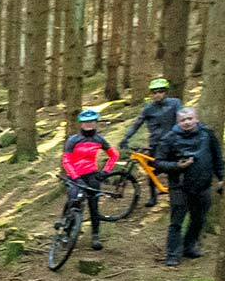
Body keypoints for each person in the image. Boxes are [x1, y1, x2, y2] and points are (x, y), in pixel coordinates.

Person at [151, 107, 225, 266]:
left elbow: (217, 158)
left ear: (196, 119)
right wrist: (177, 166)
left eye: (190, 119)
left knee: (198, 219)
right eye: (183, 120)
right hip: (179, 187)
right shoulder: (169, 138)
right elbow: (158, 163)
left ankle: (189, 246)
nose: (187, 122)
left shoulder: (207, 134)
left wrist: (222, 178)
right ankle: (172, 254)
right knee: (176, 221)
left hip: (203, 185)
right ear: (178, 122)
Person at [62, 108, 120, 251]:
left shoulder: (99, 139)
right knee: (73, 202)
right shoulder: (73, 140)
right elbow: (66, 161)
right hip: (75, 175)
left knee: (94, 206)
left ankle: (95, 235)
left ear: (96, 123)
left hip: (92, 175)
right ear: (81, 124)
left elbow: (114, 155)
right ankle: (66, 232)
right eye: (85, 122)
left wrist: (105, 172)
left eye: (91, 122)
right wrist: (75, 177)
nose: (88, 125)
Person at [120, 77, 185, 150]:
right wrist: (126, 138)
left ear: (166, 92)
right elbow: (137, 124)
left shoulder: (175, 103)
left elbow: (182, 120)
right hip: (156, 143)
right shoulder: (148, 108)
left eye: (161, 92)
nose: (157, 94)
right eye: (154, 92)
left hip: (174, 142)